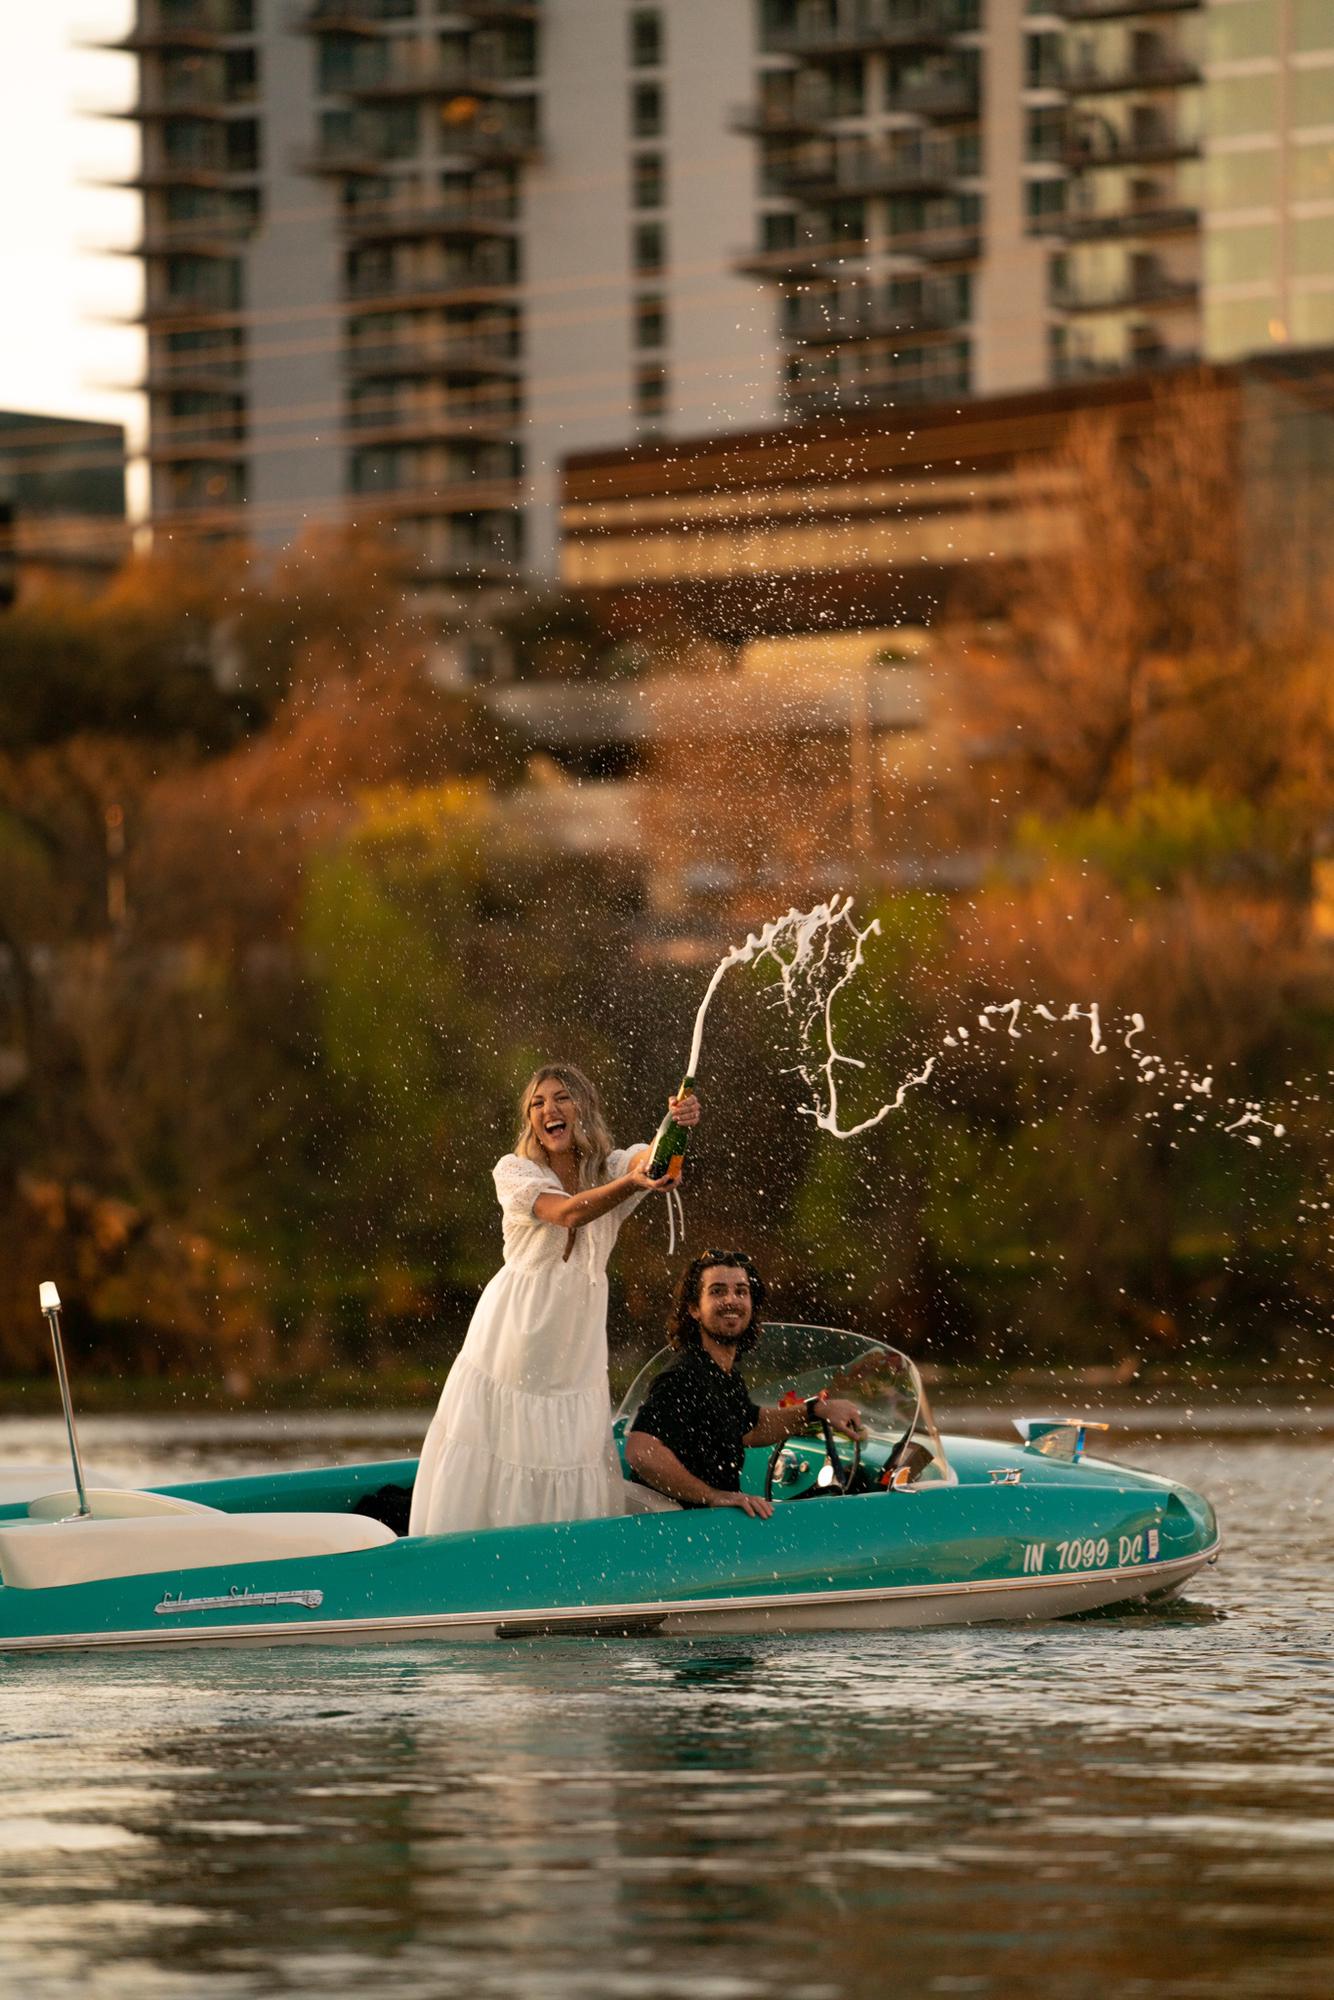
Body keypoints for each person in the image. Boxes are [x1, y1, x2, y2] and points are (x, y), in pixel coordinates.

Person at [409, 1063, 699, 1538]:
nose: (549, 1110)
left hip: (576, 1341)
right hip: (514, 1332)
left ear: (583, 1108)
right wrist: (635, 1182)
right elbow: (565, 1214)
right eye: (538, 1103)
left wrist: (677, 1126)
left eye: (561, 1098)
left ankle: (565, 1559)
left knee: (572, 1449)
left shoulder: (606, 1167)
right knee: (502, 1445)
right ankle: (475, 1553)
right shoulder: (515, 1171)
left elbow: (650, 1160)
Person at [624, 1251, 864, 1519]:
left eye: (741, 1291)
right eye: (717, 1292)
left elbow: (752, 1427)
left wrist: (817, 1410)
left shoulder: (722, 1373)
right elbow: (641, 1450)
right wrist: (713, 1495)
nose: (731, 1300)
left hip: (711, 1525)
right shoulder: (684, 1376)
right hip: (684, 1531)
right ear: (694, 1309)